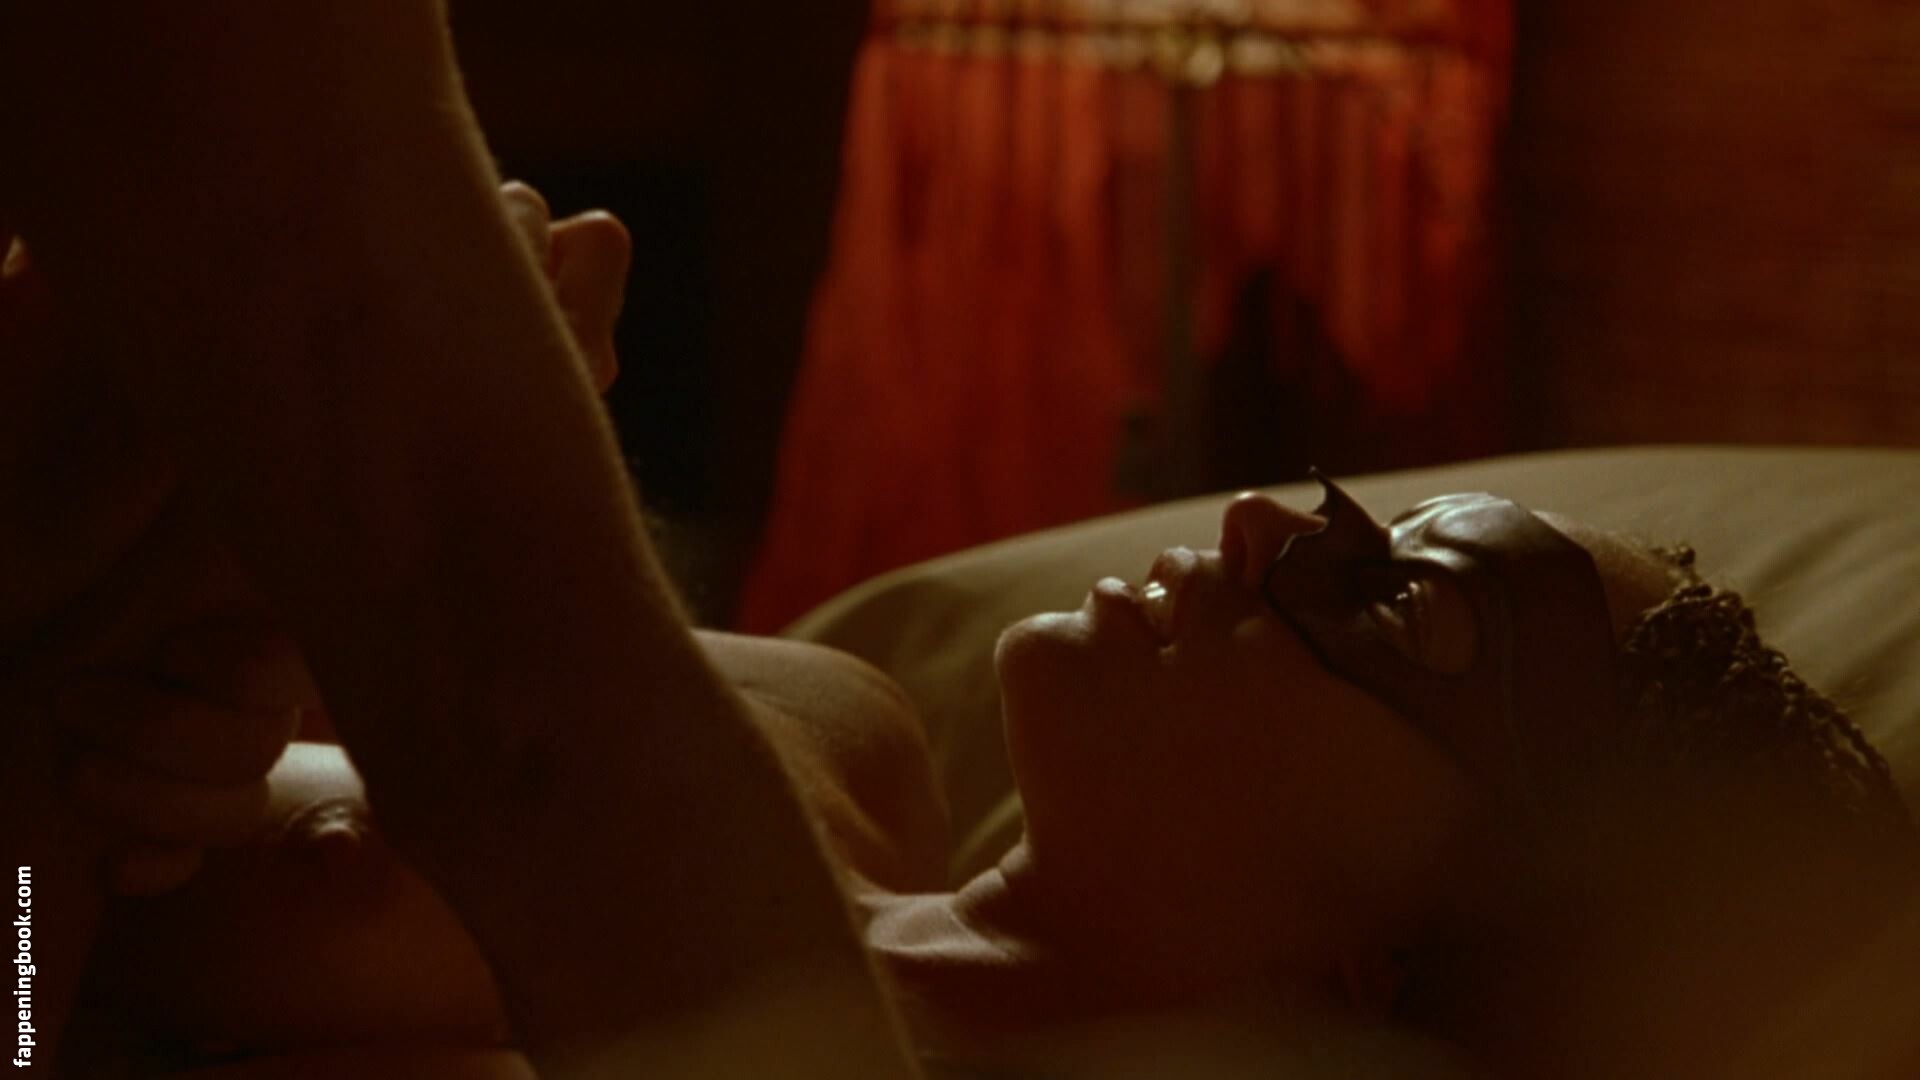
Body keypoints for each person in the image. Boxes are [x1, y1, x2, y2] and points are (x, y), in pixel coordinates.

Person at [3, 4, 1913, 1078]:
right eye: (1352, 524)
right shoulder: (831, 731)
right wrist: (297, 532)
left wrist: (119, 626)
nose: (1262, 522)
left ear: (1379, 968)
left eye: (1390, 608)